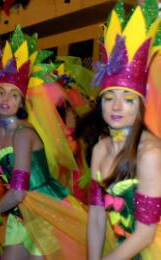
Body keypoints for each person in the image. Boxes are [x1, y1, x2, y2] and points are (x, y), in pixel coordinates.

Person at [0, 25, 87, 260]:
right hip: (18, 210)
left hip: (46, 211)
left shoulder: (23, 133)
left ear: (22, 102)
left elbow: (19, 191)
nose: (5, 99)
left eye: (14, 95)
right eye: (1, 92)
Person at [88, 1, 161, 259]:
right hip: (117, 246)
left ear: (140, 104)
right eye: (109, 97)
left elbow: (145, 234)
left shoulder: (150, 153)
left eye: (128, 99)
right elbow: (96, 216)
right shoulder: (100, 148)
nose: (116, 107)